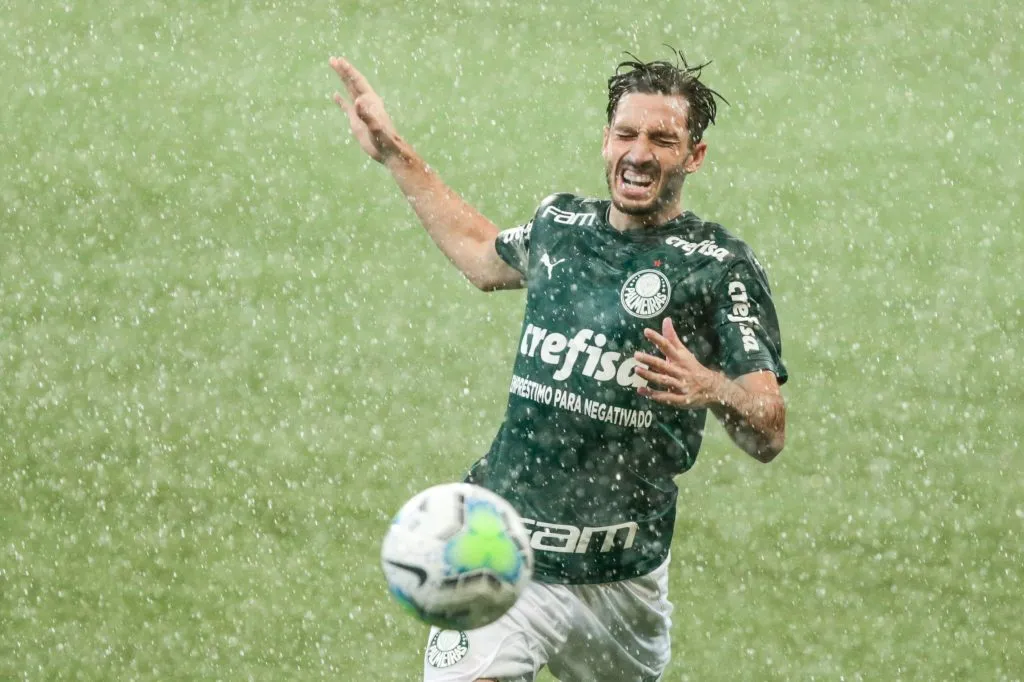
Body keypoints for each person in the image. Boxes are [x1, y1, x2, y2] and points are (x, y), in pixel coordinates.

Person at [330, 49, 788, 682]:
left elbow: (769, 430)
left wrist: (712, 387)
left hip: (624, 580)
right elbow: (479, 254)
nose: (639, 154)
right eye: (626, 134)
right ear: (606, 140)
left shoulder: (718, 266)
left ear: (695, 156)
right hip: (501, 551)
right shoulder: (560, 226)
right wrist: (393, 152)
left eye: (662, 140)